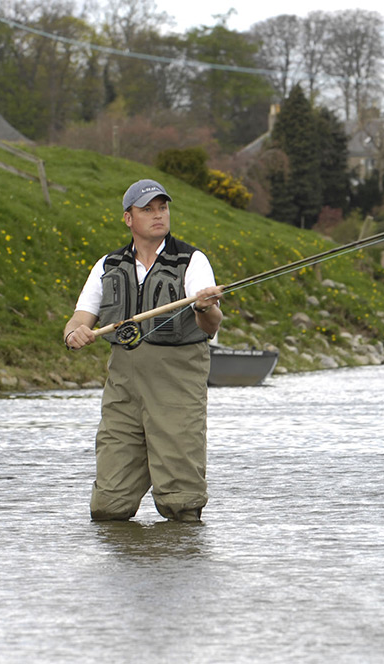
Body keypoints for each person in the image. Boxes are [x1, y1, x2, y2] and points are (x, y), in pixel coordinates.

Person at [63, 179, 223, 522]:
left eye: (162, 208)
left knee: (181, 504)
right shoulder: (107, 266)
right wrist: (74, 333)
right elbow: (79, 318)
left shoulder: (192, 261)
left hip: (176, 387)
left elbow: (212, 326)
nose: (157, 215)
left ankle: (179, 569)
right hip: (123, 390)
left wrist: (205, 307)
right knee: (107, 507)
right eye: (147, 209)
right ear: (128, 218)